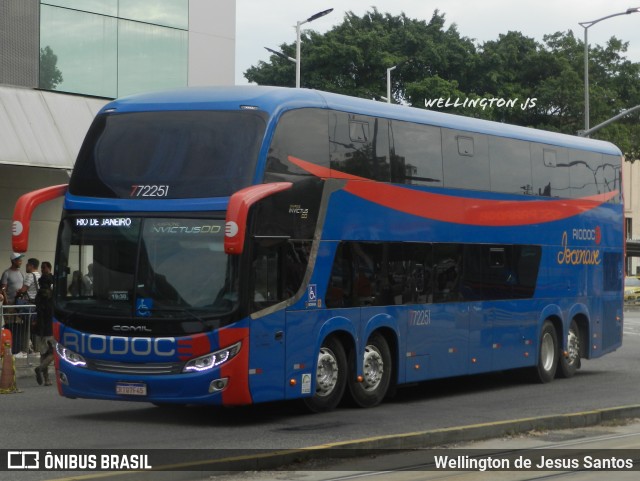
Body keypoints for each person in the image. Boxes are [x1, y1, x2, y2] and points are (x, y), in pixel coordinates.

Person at [34, 261, 54, 386]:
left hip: (40, 327)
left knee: (43, 352)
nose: (42, 269)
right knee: (53, 352)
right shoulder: (52, 295)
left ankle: (46, 379)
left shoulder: (38, 295)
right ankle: (40, 368)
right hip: (50, 325)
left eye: (43, 267)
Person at [1, 253, 26, 353]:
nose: (20, 261)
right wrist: (6, 303)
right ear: (13, 261)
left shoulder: (21, 273)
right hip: (9, 305)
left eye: (20, 260)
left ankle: (17, 350)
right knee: (10, 327)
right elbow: (3, 289)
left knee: (18, 327)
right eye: (18, 260)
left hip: (19, 305)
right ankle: (8, 350)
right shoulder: (6, 273)